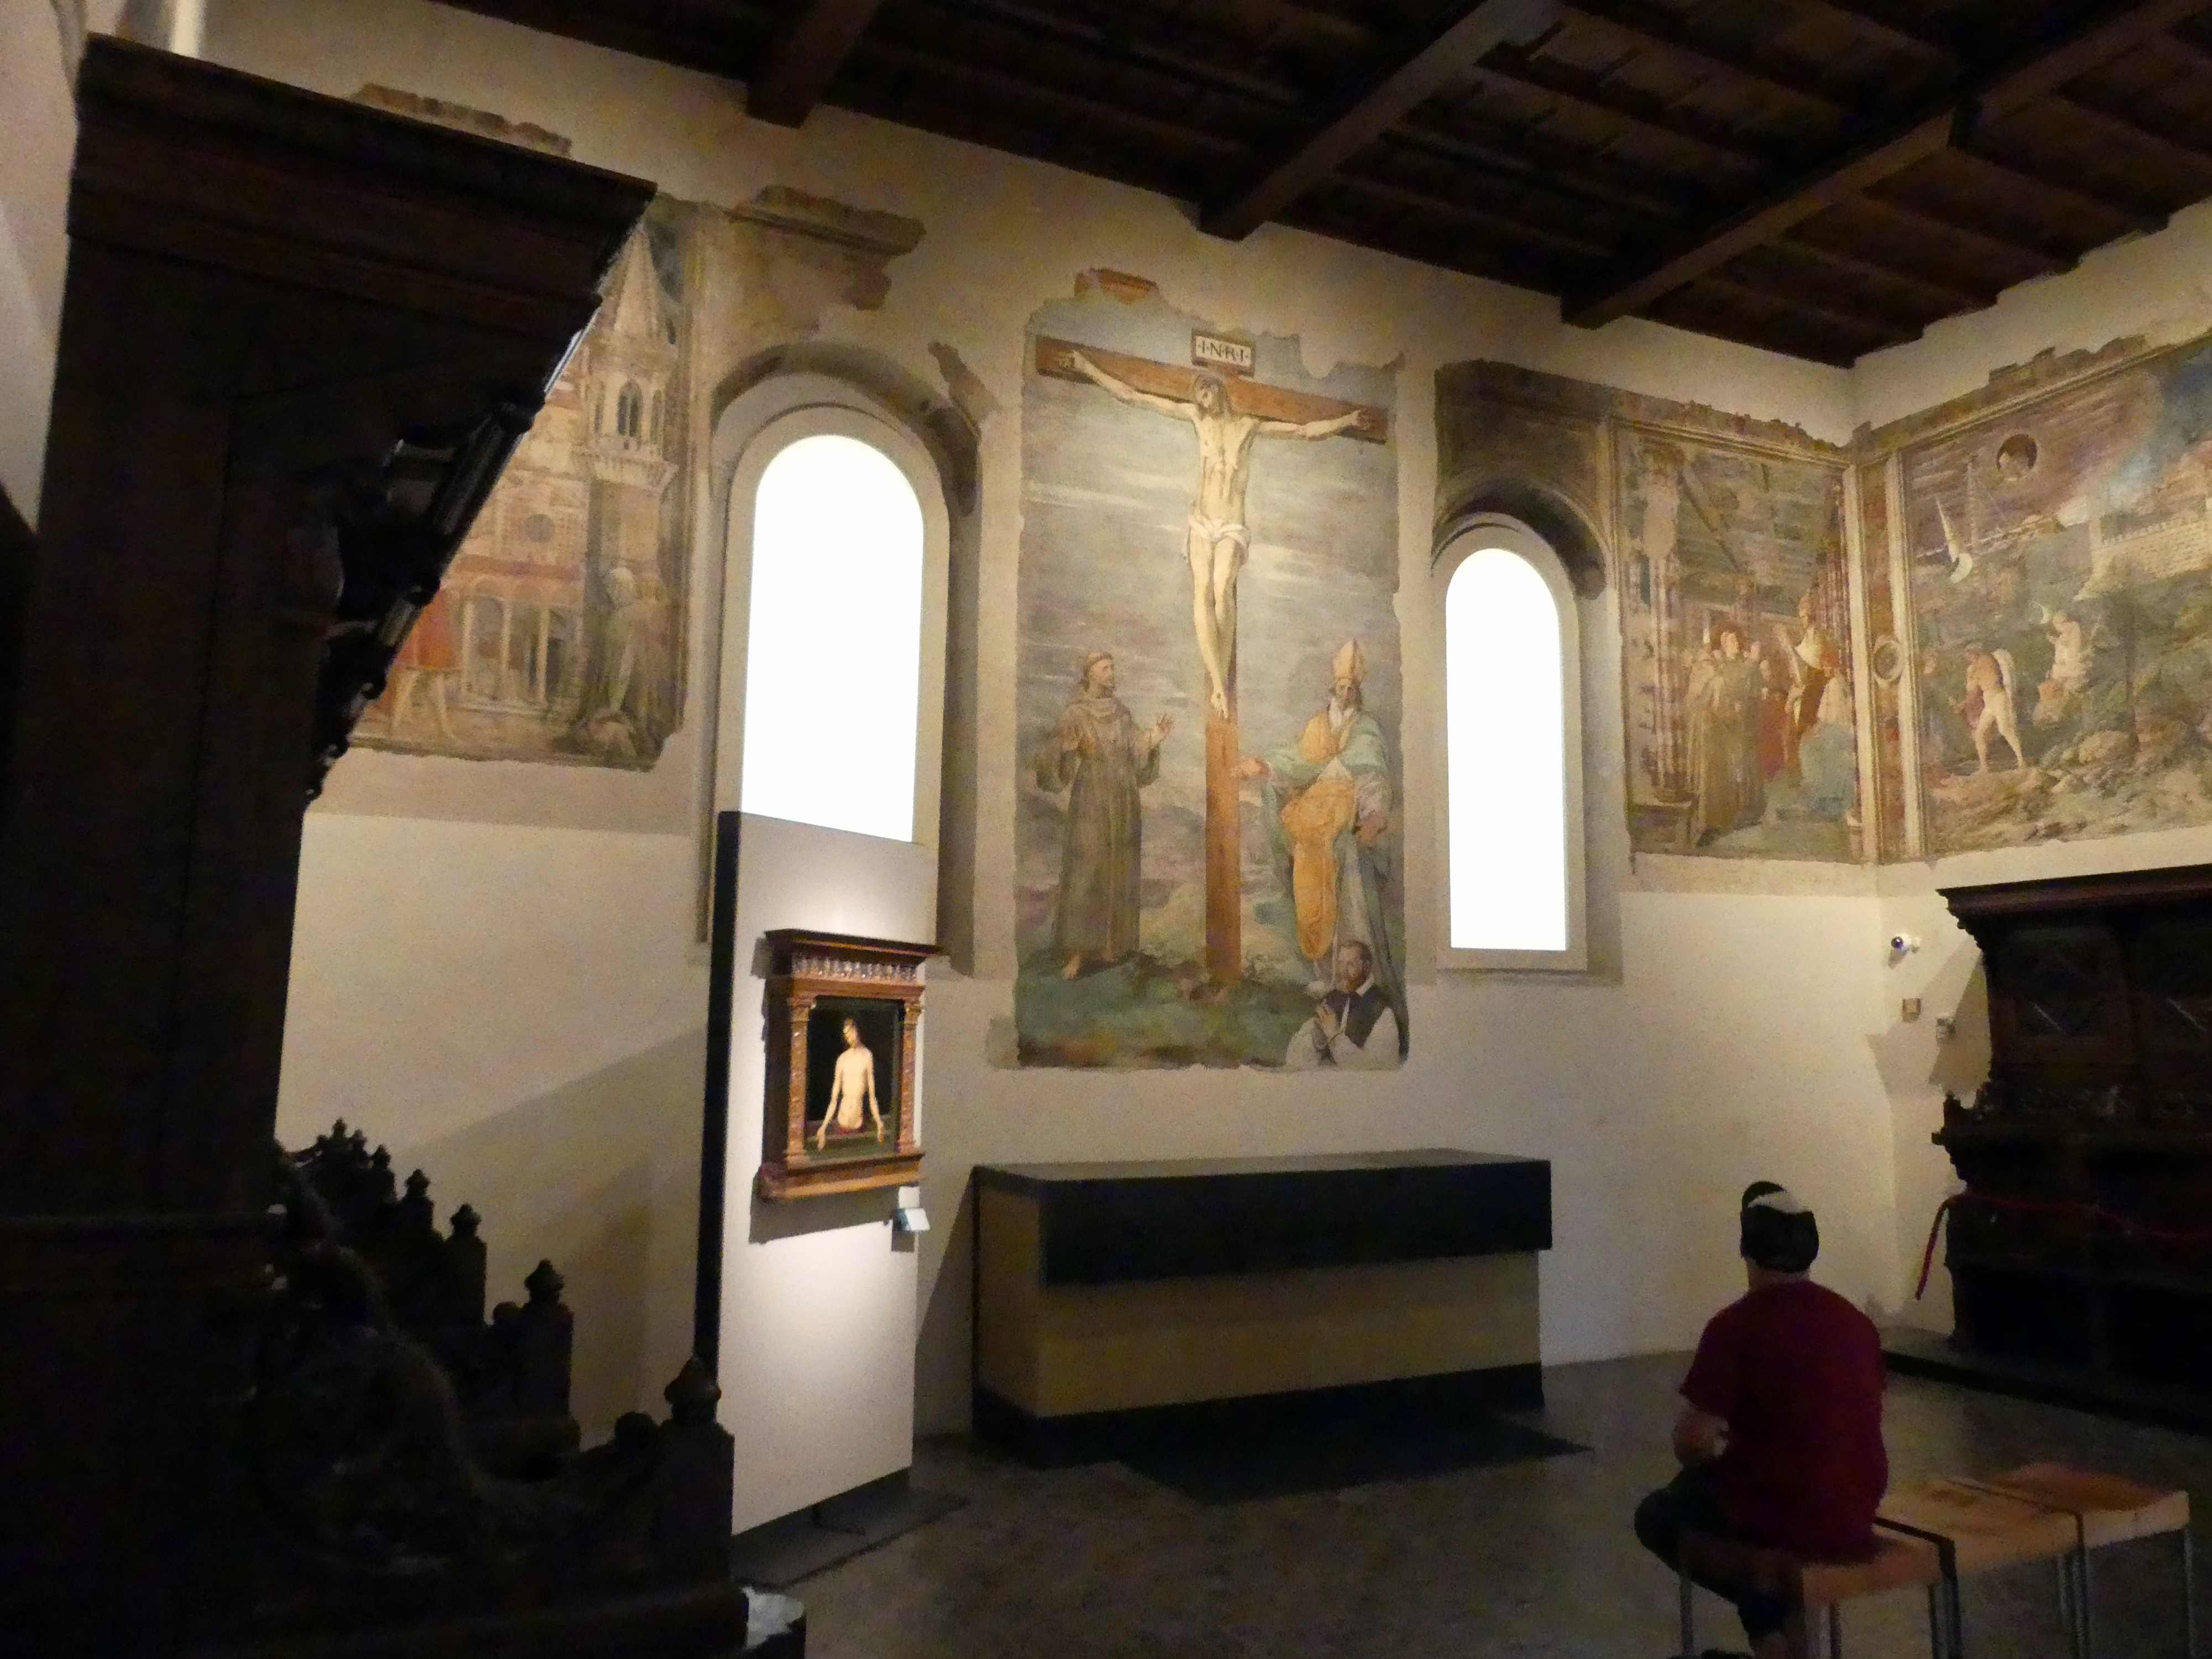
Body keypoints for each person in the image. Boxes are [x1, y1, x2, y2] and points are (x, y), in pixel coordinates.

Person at [1634, 1184, 1888, 1659]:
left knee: (1662, 1513)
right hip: (1857, 1501)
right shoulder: (1854, 1321)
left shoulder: (1736, 1325)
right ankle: (1779, 1638)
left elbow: (1693, 1442)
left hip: (1787, 1509)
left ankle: (1770, 1641)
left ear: (1746, 1249)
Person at [1068, 349, 1371, 720]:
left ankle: (1220, 682)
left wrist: (1347, 421)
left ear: (1218, 390)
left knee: (1222, 591)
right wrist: (1087, 368)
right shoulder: (1197, 420)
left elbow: (1304, 432)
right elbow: (1134, 395)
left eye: (1206, 392)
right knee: (1202, 592)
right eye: (1198, 395)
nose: (1202, 400)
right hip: (1201, 520)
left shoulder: (1249, 427)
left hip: (1230, 523)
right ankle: (1217, 683)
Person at [1239, 639, 1406, 1052]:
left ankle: (1353, 978)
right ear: (1332, 689)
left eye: (1351, 688)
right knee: (1308, 873)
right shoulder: (1317, 727)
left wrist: (1373, 815)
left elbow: (1374, 776)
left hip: (1346, 818)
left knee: (1346, 884)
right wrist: (1263, 765)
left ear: (1358, 692)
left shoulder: (1366, 731)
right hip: (1313, 819)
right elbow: (1296, 761)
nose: (1345, 693)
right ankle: (1324, 973)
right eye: (1340, 687)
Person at [1034, 650, 1170, 980]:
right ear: (1091, 674)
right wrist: (1066, 751)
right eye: (1106, 668)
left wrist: (1153, 739)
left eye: (1113, 668)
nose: (1112, 673)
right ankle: (1078, 953)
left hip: (1124, 797)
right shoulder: (1075, 714)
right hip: (1092, 799)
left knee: (1119, 868)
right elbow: (1054, 769)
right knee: (1087, 871)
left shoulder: (1121, 713)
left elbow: (1136, 750)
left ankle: (1112, 946)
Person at [1686, 620, 1766, 844]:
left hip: (1733, 729)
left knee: (1735, 773)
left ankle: (1738, 816)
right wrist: (1731, 703)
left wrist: (1743, 704)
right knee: (1712, 777)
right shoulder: (1710, 664)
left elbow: (1752, 691)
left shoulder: (1739, 663)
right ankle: (1709, 824)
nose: (1737, 644)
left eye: (1738, 640)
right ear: (1721, 641)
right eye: (1732, 640)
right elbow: (1718, 689)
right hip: (1711, 729)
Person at [1282, 941, 1398, 1069]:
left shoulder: (1381, 1008)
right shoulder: (1332, 999)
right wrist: (1317, 1039)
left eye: (1351, 964)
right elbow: (1294, 1059)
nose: (1343, 971)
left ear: (1366, 967)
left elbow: (1381, 1068)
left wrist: (1335, 1035)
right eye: (1341, 963)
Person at [813, 1018, 884, 1149]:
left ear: (857, 1031)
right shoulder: (842, 1059)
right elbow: (834, 1099)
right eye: (846, 1036)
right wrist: (823, 1127)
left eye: (851, 1034)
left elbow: (872, 1096)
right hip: (842, 1123)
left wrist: (879, 1123)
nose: (849, 1038)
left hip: (859, 1124)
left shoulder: (867, 1056)